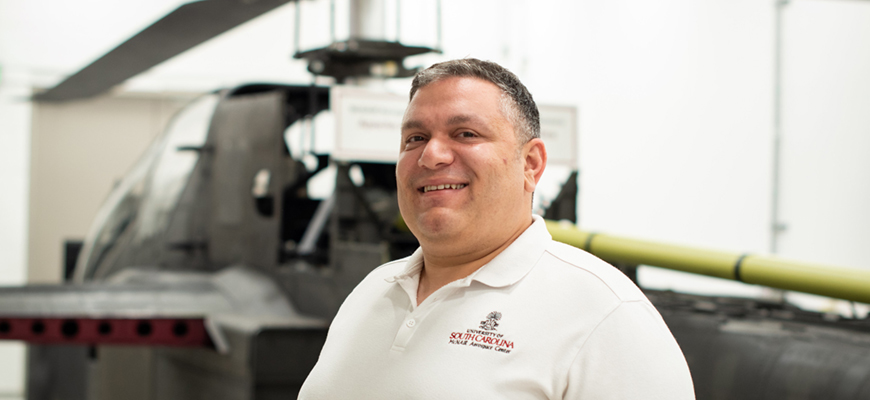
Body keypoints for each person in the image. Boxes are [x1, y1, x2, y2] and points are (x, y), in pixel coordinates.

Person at [298, 58, 695, 399]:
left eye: (465, 134)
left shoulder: (605, 317)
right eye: (415, 138)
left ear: (531, 164)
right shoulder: (372, 292)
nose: (431, 155)